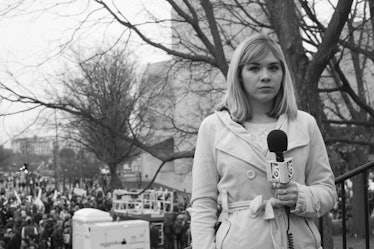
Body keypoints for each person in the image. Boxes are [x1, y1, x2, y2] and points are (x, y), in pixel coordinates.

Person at [190, 32, 337, 249]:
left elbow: (327, 191)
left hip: (297, 241)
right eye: (254, 68)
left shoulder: (304, 123)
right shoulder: (213, 127)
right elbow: (203, 204)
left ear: (283, 73)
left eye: (273, 68)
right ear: (239, 75)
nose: (266, 76)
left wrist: (301, 195)